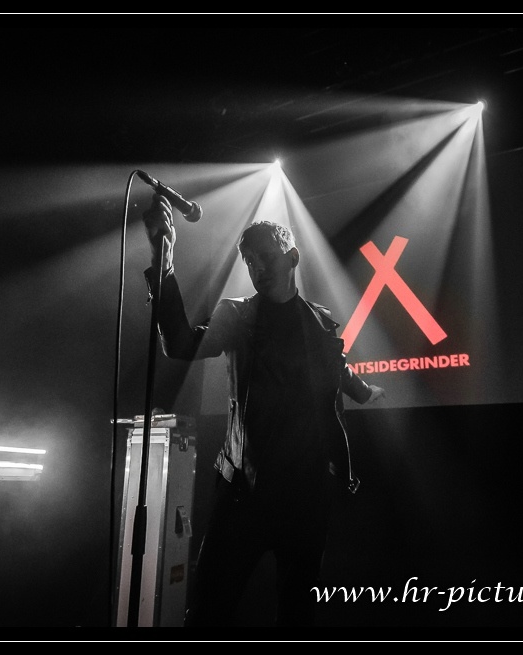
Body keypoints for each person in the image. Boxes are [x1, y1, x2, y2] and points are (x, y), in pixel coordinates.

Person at [141, 194, 385, 627]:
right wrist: (165, 261)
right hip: (244, 495)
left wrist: (365, 393)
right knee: (210, 611)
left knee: (297, 615)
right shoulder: (237, 316)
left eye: (266, 257)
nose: (257, 269)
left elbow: (339, 371)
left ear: (292, 257)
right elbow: (179, 343)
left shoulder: (321, 323)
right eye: (250, 262)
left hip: (306, 496)